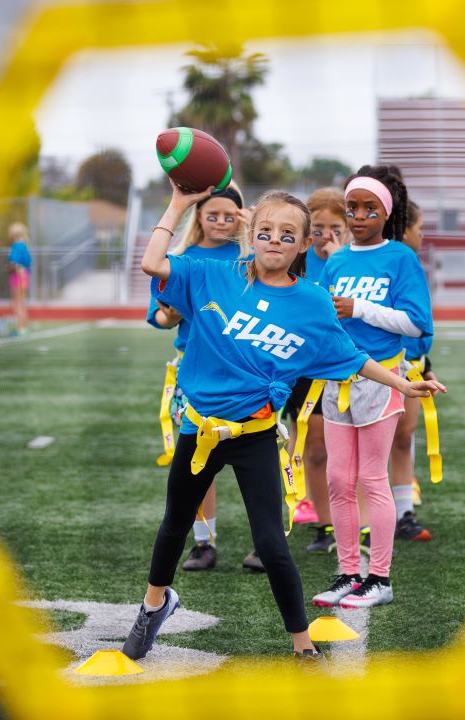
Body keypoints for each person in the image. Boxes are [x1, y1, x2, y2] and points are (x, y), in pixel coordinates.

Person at [123, 183, 444, 663]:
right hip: (200, 430)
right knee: (173, 526)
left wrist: (403, 385)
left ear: (302, 245)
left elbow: (351, 357)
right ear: (251, 234)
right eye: (267, 230)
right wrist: (177, 204)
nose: (275, 239)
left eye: (288, 234)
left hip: (253, 436)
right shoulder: (214, 274)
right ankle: (154, 605)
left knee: (272, 542)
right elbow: (152, 264)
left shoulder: (313, 301)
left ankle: (302, 644)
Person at [313, 165, 434, 609]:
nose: (359, 216)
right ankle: (348, 572)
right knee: (339, 480)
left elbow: (416, 322)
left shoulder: (401, 258)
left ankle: (379, 578)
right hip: (336, 381)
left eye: (369, 208)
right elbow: (321, 314)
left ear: (387, 212)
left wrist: (359, 308)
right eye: (353, 208)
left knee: (371, 479)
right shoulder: (338, 260)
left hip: (380, 379)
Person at [146, 184, 261, 573]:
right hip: (194, 369)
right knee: (197, 458)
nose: (222, 222)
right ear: (198, 216)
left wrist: (253, 230)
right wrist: (174, 312)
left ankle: (266, 541)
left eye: (231, 215)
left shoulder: (254, 255)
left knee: (261, 458)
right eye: (213, 214)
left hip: (247, 368)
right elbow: (161, 317)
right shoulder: (181, 258)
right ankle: (203, 542)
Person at [281, 188, 350, 553]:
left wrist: (338, 258)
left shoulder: (349, 259)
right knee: (310, 442)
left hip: (341, 365)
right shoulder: (299, 259)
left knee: (340, 448)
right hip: (301, 367)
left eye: (334, 226)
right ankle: (323, 522)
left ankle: (353, 523)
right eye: (318, 227)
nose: (326, 234)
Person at [391, 201, 439, 542]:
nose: (422, 235)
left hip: (413, 367)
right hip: (383, 366)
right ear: (404, 229)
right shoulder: (386, 262)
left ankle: (403, 512)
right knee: (373, 445)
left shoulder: (409, 264)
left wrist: (428, 365)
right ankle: (370, 517)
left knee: (404, 438)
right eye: (419, 228)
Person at [7, 222, 32, 335]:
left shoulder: (16, 245)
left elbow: (14, 262)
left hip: (18, 275)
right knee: (22, 301)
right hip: (25, 274)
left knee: (16, 303)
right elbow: (28, 261)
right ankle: (23, 326)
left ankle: (19, 327)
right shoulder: (24, 245)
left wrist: (9, 268)